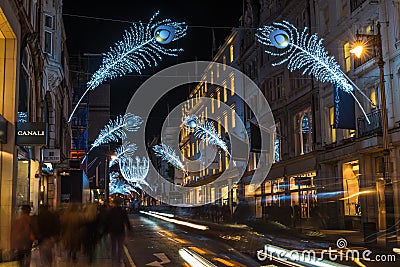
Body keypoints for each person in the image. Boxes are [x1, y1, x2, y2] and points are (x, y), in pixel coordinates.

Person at [106, 198, 131, 265]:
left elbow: (107, 221)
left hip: (113, 231)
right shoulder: (123, 211)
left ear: (114, 203)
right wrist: (129, 229)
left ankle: (113, 259)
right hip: (120, 230)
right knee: (120, 246)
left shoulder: (111, 211)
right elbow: (126, 221)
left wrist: (106, 230)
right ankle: (119, 259)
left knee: (113, 246)